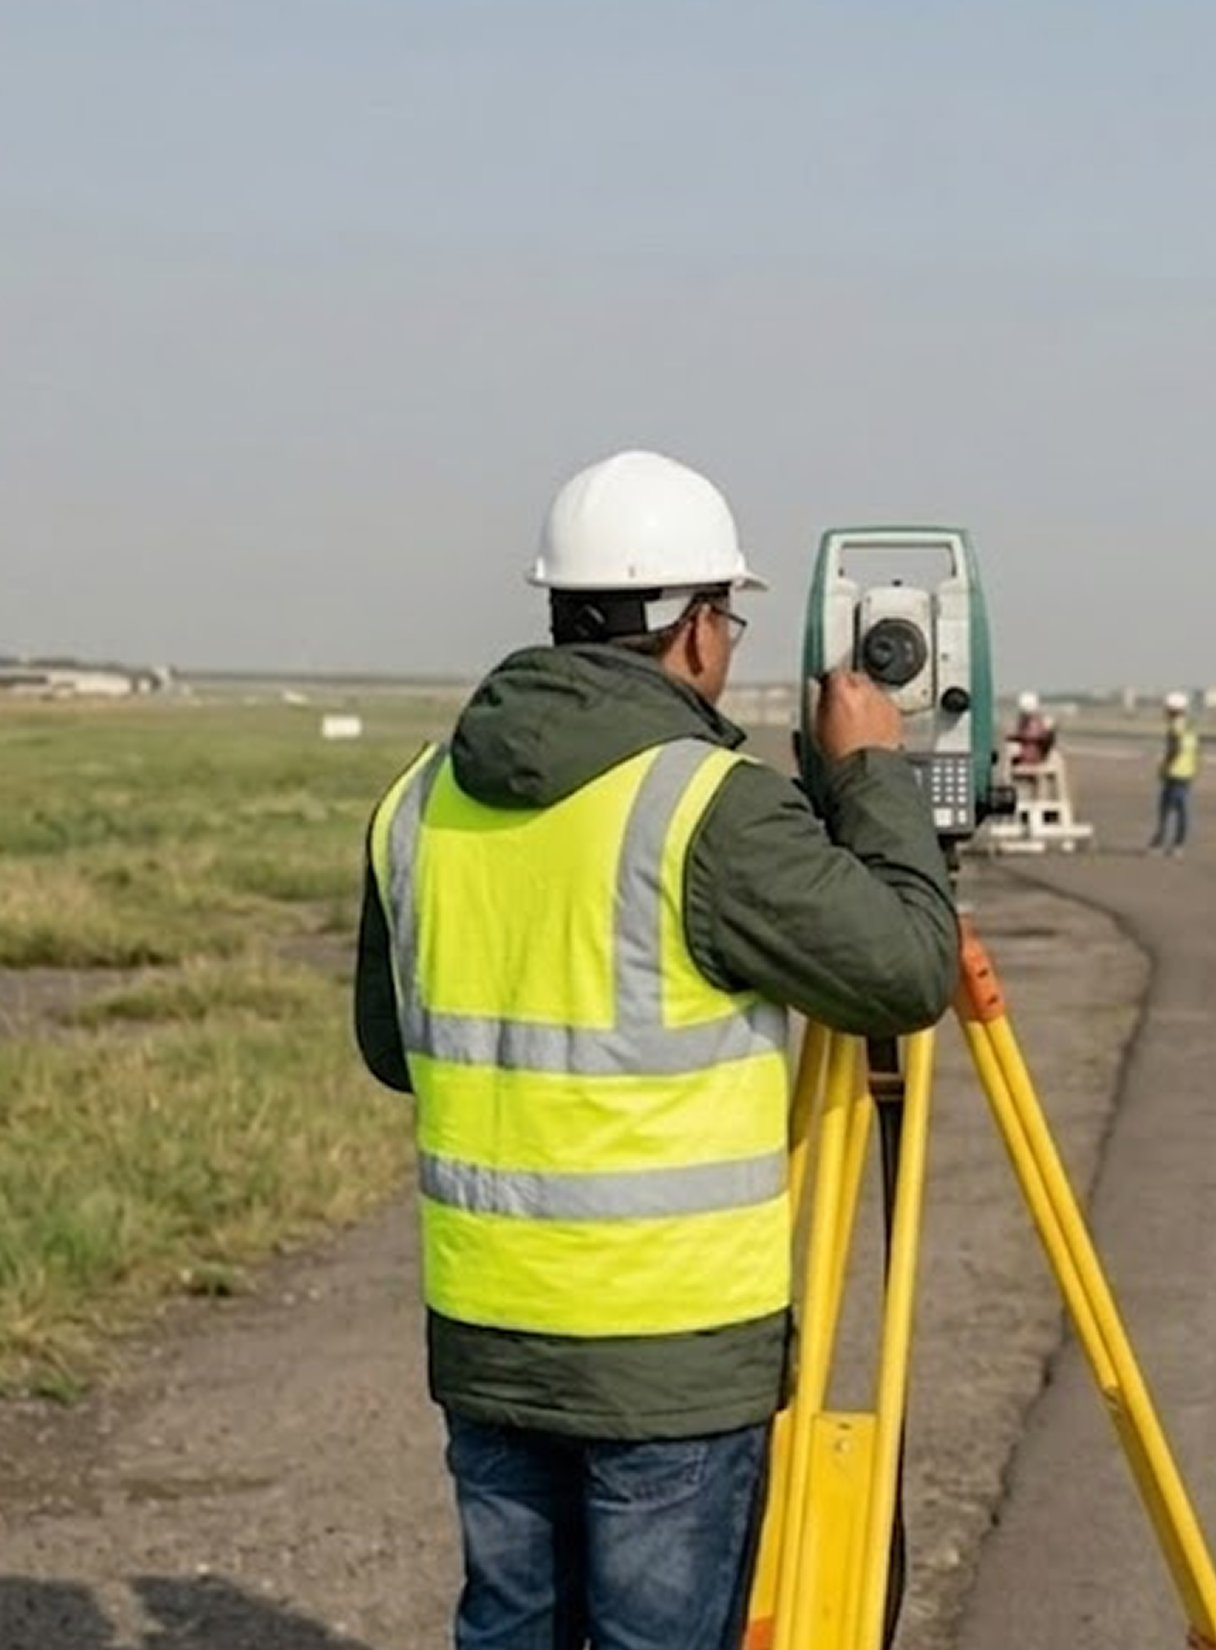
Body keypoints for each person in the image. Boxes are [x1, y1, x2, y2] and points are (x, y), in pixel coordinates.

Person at [352, 448, 958, 1650]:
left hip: (491, 1336)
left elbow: (393, 1047)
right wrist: (872, 775)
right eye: (727, 617)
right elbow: (906, 970)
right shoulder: (709, 807)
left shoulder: (420, 797)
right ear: (694, 628)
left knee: (511, 1630)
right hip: (669, 1357)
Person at [1147, 690, 1200, 855]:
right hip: (1187, 772)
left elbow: (1174, 749)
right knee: (1182, 809)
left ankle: (1160, 842)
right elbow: (1195, 749)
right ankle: (1178, 844)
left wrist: (1165, 767)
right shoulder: (1190, 726)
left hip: (1174, 772)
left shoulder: (1174, 727)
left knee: (1166, 808)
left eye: (1167, 709)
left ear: (1172, 709)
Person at [1009, 689, 1058, 769]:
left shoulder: (1029, 723)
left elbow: (1026, 736)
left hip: (1030, 759)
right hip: (1037, 757)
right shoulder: (1041, 722)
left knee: (1012, 748)